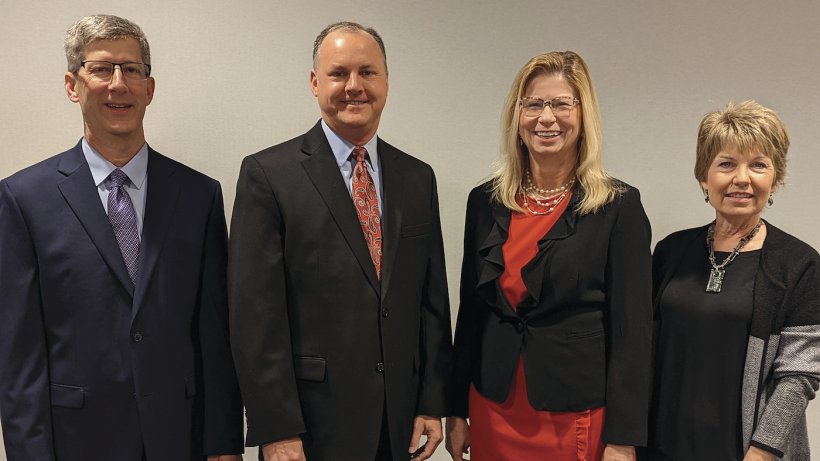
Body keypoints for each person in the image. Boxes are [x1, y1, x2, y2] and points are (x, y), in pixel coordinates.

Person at [0, 14, 243, 461]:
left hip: (179, 438)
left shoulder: (199, 195)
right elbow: (19, 355)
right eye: (101, 69)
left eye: (132, 70)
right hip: (75, 441)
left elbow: (214, 334)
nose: (118, 84)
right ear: (73, 85)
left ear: (149, 89)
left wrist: (223, 441)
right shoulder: (22, 199)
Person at [228, 21, 452, 461]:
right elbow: (255, 316)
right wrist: (277, 427)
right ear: (315, 83)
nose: (354, 86)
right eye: (338, 73)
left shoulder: (416, 177)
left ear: (386, 81)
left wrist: (431, 400)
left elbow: (431, 301)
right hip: (310, 429)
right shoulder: (268, 175)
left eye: (368, 72)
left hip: (398, 422)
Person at [446, 51, 653, 461]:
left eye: (561, 103)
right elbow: (471, 313)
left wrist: (623, 437)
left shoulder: (618, 207)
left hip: (573, 413)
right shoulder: (484, 202)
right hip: (493, 405)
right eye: (534, 104)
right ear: (516, 115)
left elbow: (632, 333)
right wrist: (455, 408)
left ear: (583, 114)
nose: (546, 118)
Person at [641, 101, 820, 461]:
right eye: (726, 164)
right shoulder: (670, 252)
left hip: (746, 453)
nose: (742, 178)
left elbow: (799, 375)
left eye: (758, 165)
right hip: (662, 446)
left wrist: (761, 453)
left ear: (776, 179)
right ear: (704, 177)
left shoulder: (799, 263)